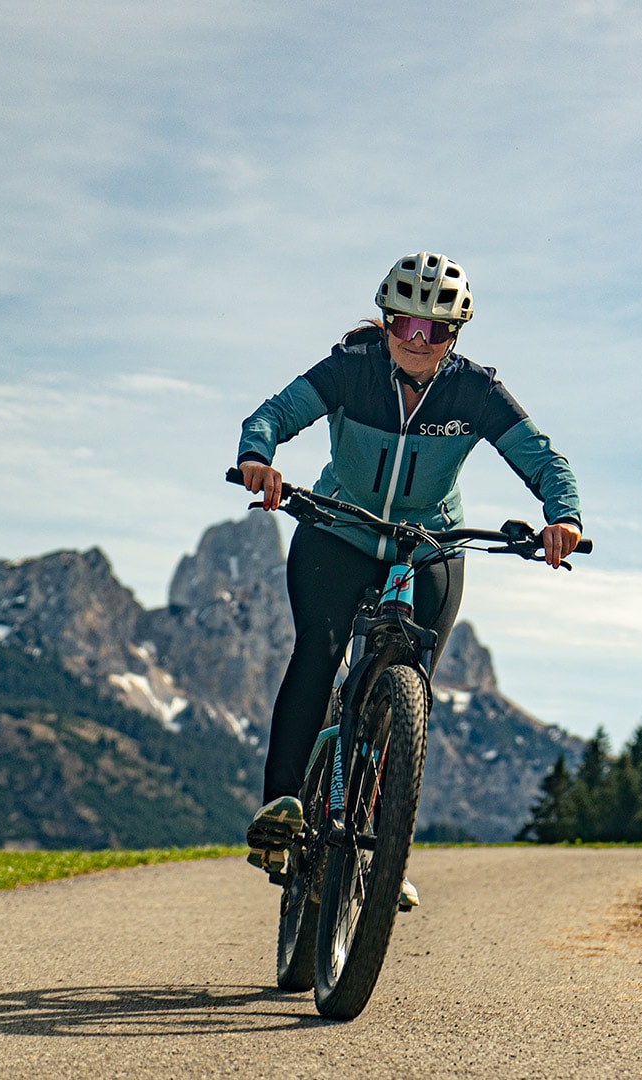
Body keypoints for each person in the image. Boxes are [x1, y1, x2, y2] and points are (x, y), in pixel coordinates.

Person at [236, 252, 582, 901]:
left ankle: (381, 847)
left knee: (414, 684)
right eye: (405, 326)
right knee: (318, 647)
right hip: (338, 529)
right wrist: (258, 459)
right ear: (388, 321)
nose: (418, 342)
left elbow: (544, 460)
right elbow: (272, 416)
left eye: (437, 332)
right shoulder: (350, 369)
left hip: (429, 543)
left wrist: (562, 518)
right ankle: (283, 809)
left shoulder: (474, 391)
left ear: (456, 336)